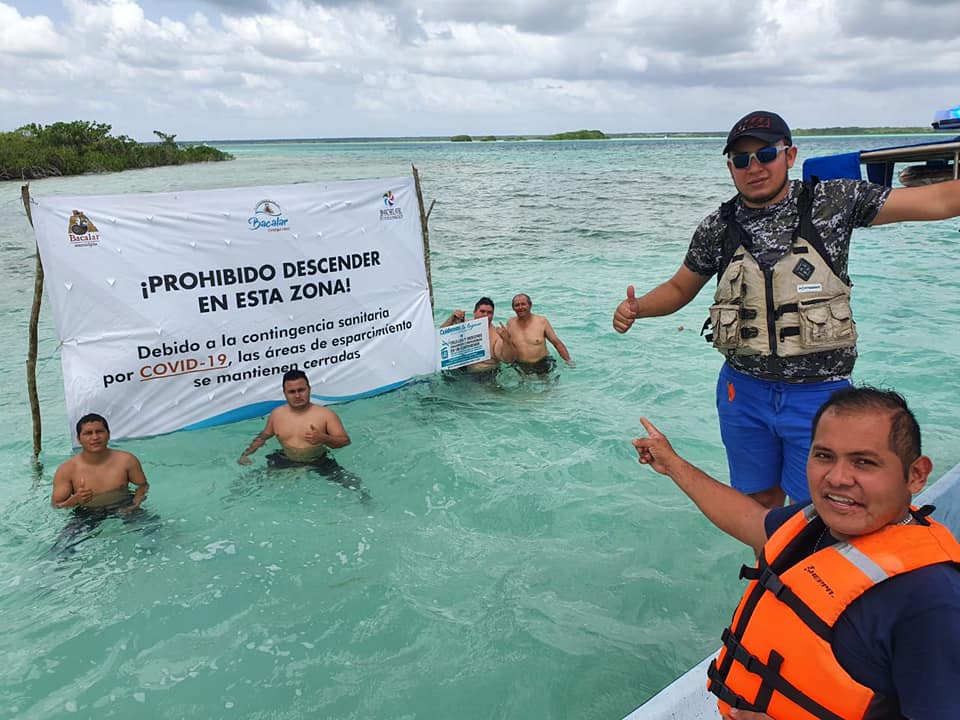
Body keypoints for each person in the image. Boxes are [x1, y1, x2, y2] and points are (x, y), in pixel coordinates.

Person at [613, 110, 960, 509]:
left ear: (790, 155)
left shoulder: (832, 203)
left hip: (820, 394)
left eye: (765, 154)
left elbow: (937, 199)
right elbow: (679, 287)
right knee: (757, 501)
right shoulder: (717, 227)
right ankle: (766, 570)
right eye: (741, 160)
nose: (754, 167)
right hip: (742, 390)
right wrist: (637, 308)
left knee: (817, 506)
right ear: (730, 167)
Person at [632, 386, 960, 720]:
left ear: (916, 474)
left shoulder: (930, 599)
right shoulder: (817, 523)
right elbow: (751, 520)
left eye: (864, 462)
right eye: (823, 456)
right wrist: (673, 464)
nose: (837, 478)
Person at [237, 370, 366, 496]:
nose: (298, 396)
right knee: (246, 484)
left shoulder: (326, 415)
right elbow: (263, 436)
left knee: (356, 487)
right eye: (292, 392)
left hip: (318, 461)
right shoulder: (277, 415)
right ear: (285, 393)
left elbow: (345, 441)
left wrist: (323, 438)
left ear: (309, 389)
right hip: (285, 459)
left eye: (301, 390)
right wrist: (246, 454)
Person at [52, 413, 149, 512]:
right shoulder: (66, 470)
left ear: (108, 434)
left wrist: (135, 504)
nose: (95, 437)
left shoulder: (127, 460)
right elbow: (56, 505)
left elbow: (143, 486)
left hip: (124, 504)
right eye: (88, 433)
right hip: (87, 511)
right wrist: (75, 500)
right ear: (78, 439)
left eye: (99, 431)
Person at [439, 297, 517, 381]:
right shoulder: (465, 325)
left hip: (483, 375)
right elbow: (441, 337)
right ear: (474, 312)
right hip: (458, 371)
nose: (485, 315)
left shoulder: (496, 336)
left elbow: (507, 359)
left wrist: (506, 341)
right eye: (482, 311)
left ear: (493, 315)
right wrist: (452, 318)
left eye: (489, 313)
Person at [504, 293, 574, 375]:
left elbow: (557, 343)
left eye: (523, 304)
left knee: (550, 387)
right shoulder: (510, 323)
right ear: (513, 308)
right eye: (517, 305)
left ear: (530, 305)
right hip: (521, 364)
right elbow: (507, 348)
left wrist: (569, 361)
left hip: (542, 362)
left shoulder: (542, 321)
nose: (520, 307)